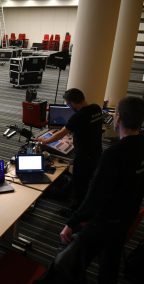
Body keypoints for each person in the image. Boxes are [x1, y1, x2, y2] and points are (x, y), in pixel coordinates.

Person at [35, 96, 144, 284]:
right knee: (111, 260)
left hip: (104, 220)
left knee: (68, 262)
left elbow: (95, 196)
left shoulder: (113, 154)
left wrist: (72, 223)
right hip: (128, 215)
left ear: (118, 119)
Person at [37, 88, 103, 213]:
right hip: (96, 152)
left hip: (83, 156)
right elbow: (86, 127)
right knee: (86, 179)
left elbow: (60, 134)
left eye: (67, 103)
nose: (68, 106)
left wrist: (44, 141)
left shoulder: (78, 116)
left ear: (72, 102)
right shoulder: (96, 108)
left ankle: (75, 210)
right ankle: (81, 203)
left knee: (80, 182)